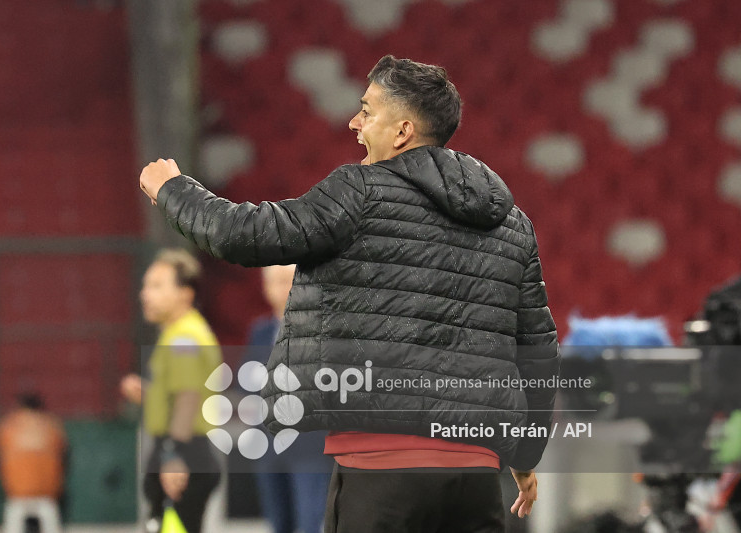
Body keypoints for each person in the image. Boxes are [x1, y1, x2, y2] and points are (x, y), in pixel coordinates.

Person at [140, 55, 560, 533]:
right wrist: (526, 455)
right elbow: (539, 351)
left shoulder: (359, 192)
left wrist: (173, 191)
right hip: (477, 478)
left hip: (380, 470)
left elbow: (246, 234)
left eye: (366, 111)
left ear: (402, 132)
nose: (354, 123)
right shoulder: (513, 224)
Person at [120, 248, 222, 533]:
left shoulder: (184, 337)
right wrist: (151, 394)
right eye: (145, 286)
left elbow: (187, 398)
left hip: (182, 455)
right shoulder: (177, 333)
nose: (145, 294)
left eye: (156, 286)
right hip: (184, 451)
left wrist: (171, 457)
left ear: (185, 294)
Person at [241, 264, 333, 533]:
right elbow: (245, 381)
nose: (283, 288)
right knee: (278, 522)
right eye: (276, 281)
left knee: (309, 522)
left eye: (288, 280)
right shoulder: (259, 332)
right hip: (269, 446)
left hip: (309, 448)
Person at [0, 393, 67, 533]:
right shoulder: (52, 425)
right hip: (46, 493)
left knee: (13, 522)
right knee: (49, 520)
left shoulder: (8, 426)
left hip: (18, 493)